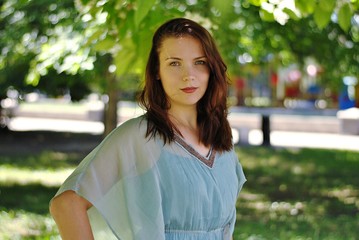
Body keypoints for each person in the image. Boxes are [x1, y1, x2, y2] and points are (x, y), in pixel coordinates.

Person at [50, 17, 246, 240]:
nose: (188, 75)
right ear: (156, 71)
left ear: (212, 69)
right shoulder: (141, 135)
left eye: (199, 62)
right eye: (174, 63)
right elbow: (66, 205)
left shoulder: (221, 139)